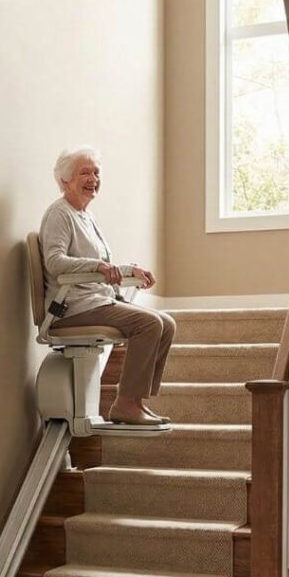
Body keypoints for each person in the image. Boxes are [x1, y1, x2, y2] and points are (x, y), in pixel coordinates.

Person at [39, 146, 175, 427]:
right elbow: (55, 262)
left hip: (98, 300)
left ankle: (136, 401)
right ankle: (125, 403)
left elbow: (102, 266)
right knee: (149, 324)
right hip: (75, 307)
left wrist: (129, 270)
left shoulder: (86, 216)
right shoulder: (59, 214)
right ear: (65, 180)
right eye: (84, 172)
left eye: (96, 173)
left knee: (167, 323)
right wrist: (96, 266)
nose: (93, 178)